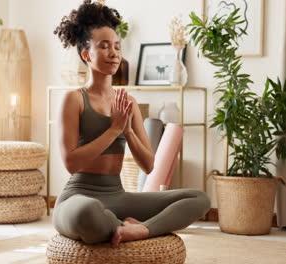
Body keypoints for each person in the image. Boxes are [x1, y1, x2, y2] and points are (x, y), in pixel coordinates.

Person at [52, 0, 210, 248]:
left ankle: (139, 230)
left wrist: (127, 130)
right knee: (88, 212)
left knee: (199, 198)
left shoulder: (129, 103)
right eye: (104, 47)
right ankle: (121, 225)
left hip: (117, 196)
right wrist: (114, 129)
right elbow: (71, 163)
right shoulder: (74, 100)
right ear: (86, 55)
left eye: (117, 46)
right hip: (78, 198)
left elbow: (148, 165)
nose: (114, 53)